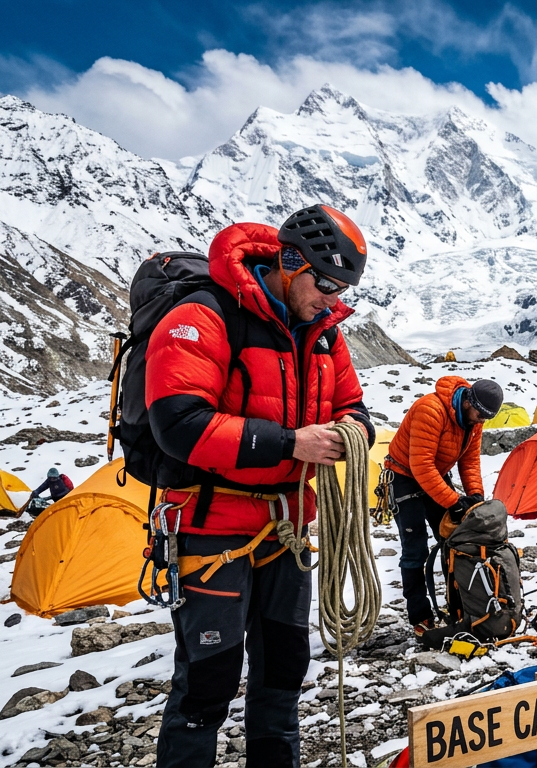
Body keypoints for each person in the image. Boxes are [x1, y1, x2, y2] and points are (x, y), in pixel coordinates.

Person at [145, 204, 375, 767]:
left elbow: (356, 409)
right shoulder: (206, 314)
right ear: (291, 264)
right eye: (325, 284)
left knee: (283, 674)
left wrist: (353, 433)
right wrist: (291, 443)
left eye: (343, 287)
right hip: (212, 529)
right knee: (207, 684)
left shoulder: (324, 335)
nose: (333, 297)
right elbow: (178, 423)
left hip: (287, 530)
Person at [385, 376, 503, 635]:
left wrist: (474, 497)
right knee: (415, 549)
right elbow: (421, 465)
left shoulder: (474, 419)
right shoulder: (431, 410)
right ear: (468, 402)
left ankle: (460, 606)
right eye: (480, 415)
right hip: (405, 477)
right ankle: (420, 616)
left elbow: (470, 461)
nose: (481, 421)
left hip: (436, 474)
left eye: (486, 418)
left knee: (455, 540)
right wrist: (453, 502)